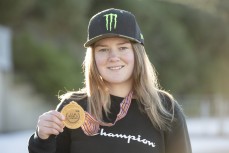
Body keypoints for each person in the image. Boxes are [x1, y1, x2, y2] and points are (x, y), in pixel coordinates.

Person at [28, 8, 192, 153]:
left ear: (137, 53)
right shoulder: (73, 108)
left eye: (122, 48)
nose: (113, 57)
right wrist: (41, 138)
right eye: (103, 49)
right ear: (93, 58)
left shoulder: (166, 109)